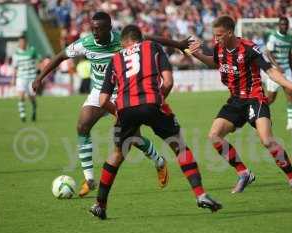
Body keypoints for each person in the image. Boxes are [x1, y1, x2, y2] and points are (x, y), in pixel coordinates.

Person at [33, 12, 189, 198]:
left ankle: (159, 161)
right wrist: (40, 77)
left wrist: (178, 44)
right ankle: (89, 179)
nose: (95, 32)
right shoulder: (86, 43)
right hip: (100, 92)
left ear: (109, 28)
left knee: (130, 139)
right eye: (93, 28)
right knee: (82, 125)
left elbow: (151, 39)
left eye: (99, 28)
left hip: (124, 94)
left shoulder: (122, 40)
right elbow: (60, 57)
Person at [90, 24, 222, 220]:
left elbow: (102, 100)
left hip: (125, 108)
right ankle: (200, 194)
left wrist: (118, 113)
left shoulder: (116, 58)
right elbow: (168, 82)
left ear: (123, 41)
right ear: (139, 38)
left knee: (117, 154)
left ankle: (100, 205)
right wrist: (159, 101)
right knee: (179, 147)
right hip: (153, 103)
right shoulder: (152, 47)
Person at [188, 16, 292, 193]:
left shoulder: (249, 48)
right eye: (215, 35)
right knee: (214, 136)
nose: (216, 39)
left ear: (230, 32)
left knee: (267, 140)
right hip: (235, 101)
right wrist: (196, 54)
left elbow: (270, 71)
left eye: (219, 35)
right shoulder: (219, 48)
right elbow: (215, 62)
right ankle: (244, 173)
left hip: (254, 98)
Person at [265, 16, 292, 130]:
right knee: (270, 99)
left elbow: (289, 53)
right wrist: (277, 66)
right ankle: (256, 114)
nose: (284, 26)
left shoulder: (289, 37)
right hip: (275, 71)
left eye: (286, 24)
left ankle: (290, 123)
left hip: (286, 71)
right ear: (279, 25)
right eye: (282, 24)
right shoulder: (273, 37)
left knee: (290, 94)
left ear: (288, 26)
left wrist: (291, 68)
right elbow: (268, 53)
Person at [12, 36, 39, 122]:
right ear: (19, 43)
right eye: (20, 42)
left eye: (23, 42)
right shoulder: (16, 53)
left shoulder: (32, 50)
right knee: (21, 96)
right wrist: (13, 78)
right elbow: (15, 67)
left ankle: (34, 109)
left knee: (31, 97)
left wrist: (39, 75)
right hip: (21, 77)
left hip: (31, 77)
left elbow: (38, 61)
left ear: (26, 42)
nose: (22, 44)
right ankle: (22, 115)